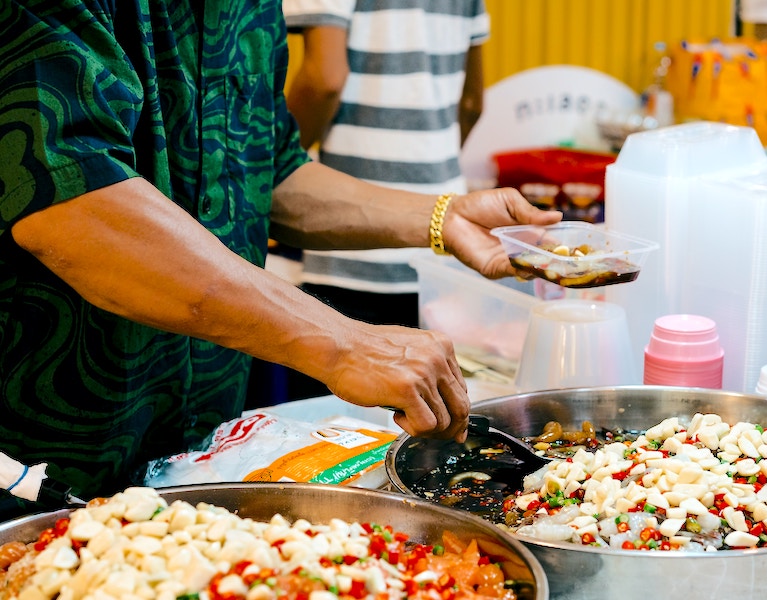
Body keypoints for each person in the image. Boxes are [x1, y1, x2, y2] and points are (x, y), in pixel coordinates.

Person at [0, 0, 561, 521]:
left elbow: (267, 170)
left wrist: (442, 217)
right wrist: (342, 341)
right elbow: (72, 201)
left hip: (200, 451)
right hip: (40, 460)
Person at [281, 0, 488, 329]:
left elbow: (325, 80)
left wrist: (274, 165)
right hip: (446, 245)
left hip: (349, 243)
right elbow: (472, 102)